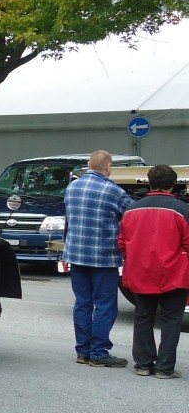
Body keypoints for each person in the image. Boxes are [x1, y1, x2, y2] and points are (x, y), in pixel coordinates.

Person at [118, 164, 189, 379]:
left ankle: (143, 364)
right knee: (171, 319)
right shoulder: (182, 210)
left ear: (149, 183)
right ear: (173, 185)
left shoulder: (131, 210)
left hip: (141, 271)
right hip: (173, 273)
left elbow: (122, 244)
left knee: (143, 317)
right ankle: (165, 368)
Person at [63, 149, 133, 367]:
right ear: (108, 167)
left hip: (76, 254)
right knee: (104, 305)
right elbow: (132, 214)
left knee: (83, 304)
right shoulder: (113, 191)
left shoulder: (72, 187)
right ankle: (99, 352)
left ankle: (82, 352)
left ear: (88, 165)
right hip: (103, 257)